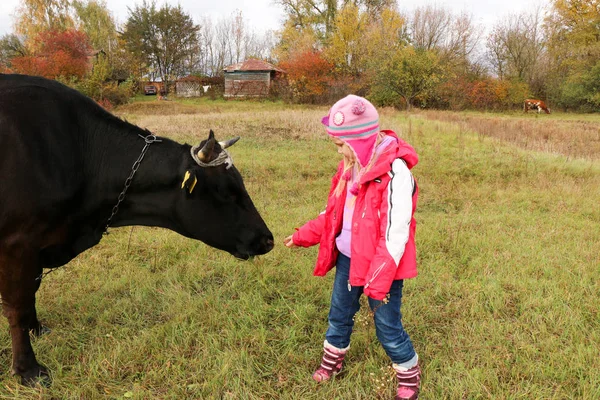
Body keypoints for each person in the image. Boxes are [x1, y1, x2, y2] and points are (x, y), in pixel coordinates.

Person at [284, 95, 421, 400]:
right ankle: (333, 363)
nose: (339, 150)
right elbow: (332, 214)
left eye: (341, 144)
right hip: (348, 259)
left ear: (361, 139)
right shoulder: (350, 169)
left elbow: (396, 233)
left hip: (381, 267)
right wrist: (303, 235)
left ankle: (409, 373)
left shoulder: (396, 173)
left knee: (386, 325)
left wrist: (379, 279)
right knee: (339, 314)